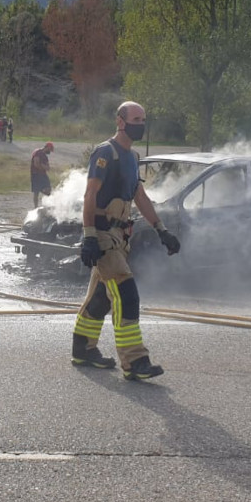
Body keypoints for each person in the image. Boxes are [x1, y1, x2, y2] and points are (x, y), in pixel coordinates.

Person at [72, 101, 180, 379]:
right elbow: (89, 196)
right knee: (126, 295)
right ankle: (135, 361)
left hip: (120, 236)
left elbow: (139, 197)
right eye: (135, 119)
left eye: (143, 119)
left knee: (101, 297)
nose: (140, 124)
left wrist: (161, 229)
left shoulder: (132, 158)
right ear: (120, 121)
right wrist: (89, 236)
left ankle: (82, 349)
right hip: (102, 235)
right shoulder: (105, 153)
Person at [31, 141, 54, 207]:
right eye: (50, 150)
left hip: (43, 174)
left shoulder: (45, 157)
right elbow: (36, 164)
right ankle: (36, 207)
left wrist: (42, 166)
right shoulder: (38, 152)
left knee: (48, 189)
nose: (50, 152)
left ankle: (48, 204)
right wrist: (43, 166)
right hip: (36, 174)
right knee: (36, 192)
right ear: (48, 147)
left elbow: (48, 167)